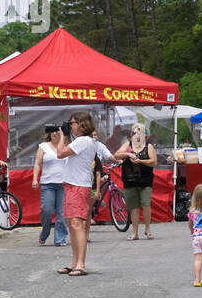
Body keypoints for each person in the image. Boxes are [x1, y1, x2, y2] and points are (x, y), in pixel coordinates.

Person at [53, 111, 119, 277]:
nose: (71, 125)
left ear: (81, 124)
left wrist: (62, 136)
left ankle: (80, 264)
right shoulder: (82, 141)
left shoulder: (83, 140)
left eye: (72, 122)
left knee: (77, 224)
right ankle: (75, 262)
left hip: (78, 186)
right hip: (72, 185)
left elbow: (60, 153)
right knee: (72, 225)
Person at [119, 123, 157, 241]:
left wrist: (141, 161)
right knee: (133, 208)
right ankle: (135, 233)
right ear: (131, 135)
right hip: (130, 180)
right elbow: (116, 155)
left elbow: (153, 162)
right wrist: (128, 154)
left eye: (140, 133)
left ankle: (147, 229)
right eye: (135, 133)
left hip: (145, 181)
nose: (137, 135)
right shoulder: (127, 145)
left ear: (144, 135)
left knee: (146, 205)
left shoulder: (148, 146)